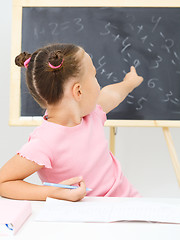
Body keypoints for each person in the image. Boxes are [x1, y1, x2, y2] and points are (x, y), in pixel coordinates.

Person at [0, 43, 143, 201]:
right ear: (78, 91)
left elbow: (111, 94)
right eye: (94, 76)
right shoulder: (45, 142)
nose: (99, 85)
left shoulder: (91, 114)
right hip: (87, 218)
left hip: (129, 203)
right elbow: (3, 182)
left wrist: (129, 83)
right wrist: (52, 193)